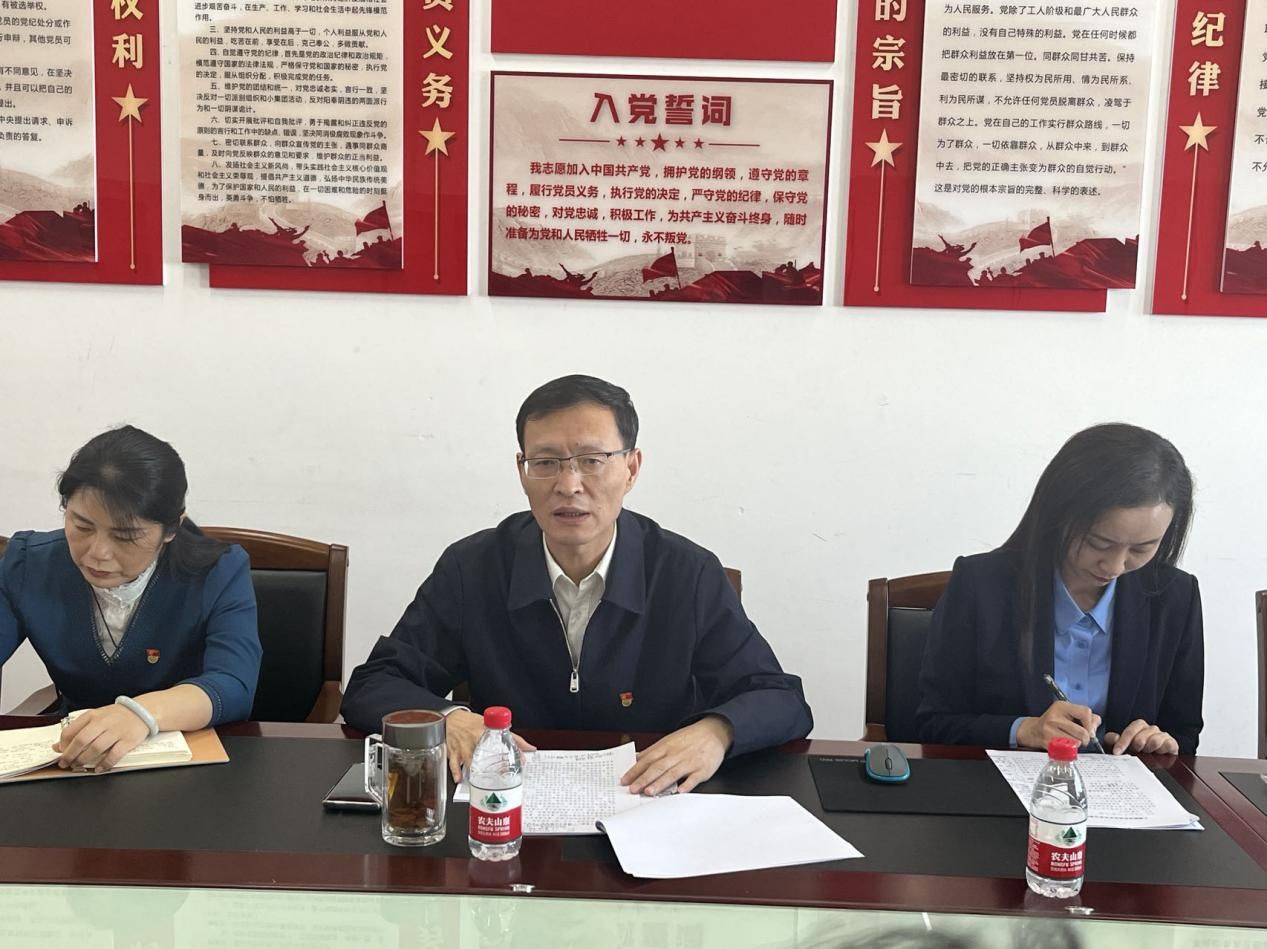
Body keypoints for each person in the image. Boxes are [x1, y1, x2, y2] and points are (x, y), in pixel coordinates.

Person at [341, 375, 812, 794]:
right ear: (522, 471)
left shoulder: (686, 573)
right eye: (546, 462)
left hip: (648, 805)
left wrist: (716, 732)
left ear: (631, 469)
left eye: (592, 460)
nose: (569, 485)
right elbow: (374, 684)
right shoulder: (473, 567)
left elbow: (780, 697)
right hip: (505, 806)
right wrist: (449, 720)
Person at [915, 423, 1202, 755]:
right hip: (996, 784)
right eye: (1098, 543)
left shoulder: (1175, 598)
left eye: (1142, 548)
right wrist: (1023, 729)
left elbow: (1184, 734)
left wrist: (1158, 741)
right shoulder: (981, 586)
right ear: (1059, 514)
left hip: (1120, 787)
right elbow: (931, 724)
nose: (1114, 566)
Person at [0, 426, 261, 772]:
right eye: (82, 526)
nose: (98, 553)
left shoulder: (218, 572)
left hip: (187, 762)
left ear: (172, 528)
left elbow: (233, 684)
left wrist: (141, 714)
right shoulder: (27, 564)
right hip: (75, 762)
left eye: (125, 536)